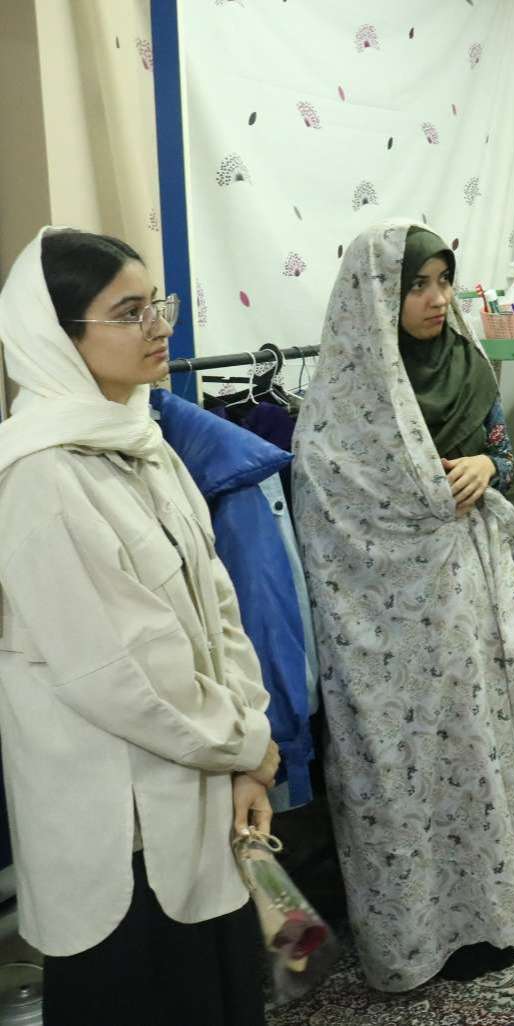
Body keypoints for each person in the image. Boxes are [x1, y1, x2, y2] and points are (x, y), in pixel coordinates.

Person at [0, 228, 276, 1024]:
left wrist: (248, 744)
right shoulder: (41, 476)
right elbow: (121, 675)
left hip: (197, 788)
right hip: (115, 828)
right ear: (58, 336)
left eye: (158, 304)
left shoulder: (142, 441)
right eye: (130, 312)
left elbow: (215, 605)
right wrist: (245, 746)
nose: (160, 327)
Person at [292, 222, 514, 991]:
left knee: (475, 754)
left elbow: (499, 455)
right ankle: (411, 943)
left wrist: (482, 465)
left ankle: (487, 925)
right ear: (377, 297)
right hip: (382, 628)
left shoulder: (467, 363)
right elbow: (325, 502)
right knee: (397, 775)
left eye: (443, 281)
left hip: (464, 602)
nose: (437, 299)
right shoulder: (345, 398)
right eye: (417, 285)